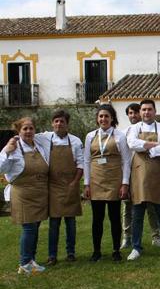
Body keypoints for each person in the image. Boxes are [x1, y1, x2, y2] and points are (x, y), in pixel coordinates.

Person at [0, 117, 49, 274]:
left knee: (35, 227)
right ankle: (24, 263)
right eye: (25, 129)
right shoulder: (13, 148)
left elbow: (51, 134)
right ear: (19, 131)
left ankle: (31, 260)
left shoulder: (39, 146)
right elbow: (1, 168)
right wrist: (6, 150)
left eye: (31, 128)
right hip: (23, 194)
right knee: (29, 228)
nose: (28, 131)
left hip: (39, 193)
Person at [126, 99, 160, 260]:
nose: (146, 112)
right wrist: (155, 144)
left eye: (149, 109)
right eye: (144, 110)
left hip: (158, 174)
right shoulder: (133, 128)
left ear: (154, 111)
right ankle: (136, 247)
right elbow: (132, 143)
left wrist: (148, 148)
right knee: (137, 213)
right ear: (140, 112)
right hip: (138, 175)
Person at [83, 104, 131, 262]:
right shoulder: (90, 136)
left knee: (114, 217)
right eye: (101, 116)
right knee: (97, 219)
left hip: (114, 181)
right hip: (96, 181)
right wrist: (87, 184)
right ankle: (96, 251)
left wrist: (124, 184)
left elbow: (125, 160)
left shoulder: (120, 136)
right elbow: (86, 160)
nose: (103, 119)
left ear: (112, 118)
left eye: (106, 116)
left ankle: (116, 250)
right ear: (97, 119)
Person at [37, 110, 84, 266]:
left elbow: (81, 164)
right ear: (52, 123)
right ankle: (52, 255)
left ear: (67, 124)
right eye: (56, 121)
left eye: (62, 121)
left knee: (70, 222)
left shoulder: (76, 141)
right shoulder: (44, 138)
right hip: (53, 187)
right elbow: (26, 134)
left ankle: (71, 252)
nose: (59, 124)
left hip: (71, 185)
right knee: (54, 223)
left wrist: (75, 182)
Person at [121, 103, 160, 250]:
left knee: (151, 204)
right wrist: (155, 144)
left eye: (135, 113)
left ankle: (156, 236)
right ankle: (127, 237)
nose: (133, 116)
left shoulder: (151, 128)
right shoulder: (125, 132)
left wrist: (145, 145)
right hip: (130, 172)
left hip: (149, 171)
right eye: (130, 113)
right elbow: (131, 146)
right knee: (127, 206)